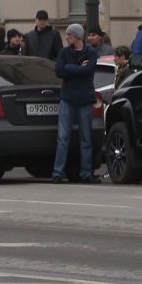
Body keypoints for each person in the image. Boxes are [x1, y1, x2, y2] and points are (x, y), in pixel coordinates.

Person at [51, 24, 99, 183]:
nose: (66, 37)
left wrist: (69, 69)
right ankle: (58, 172)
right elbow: (58, 70)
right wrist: (78, 67)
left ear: (78, 36)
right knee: (63, 137)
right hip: (67, 98)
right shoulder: (64, 52)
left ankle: (86, 172)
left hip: (85, 99)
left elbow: (88, 71)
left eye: (69, 35)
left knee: (86, 138)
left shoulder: (90, 52)